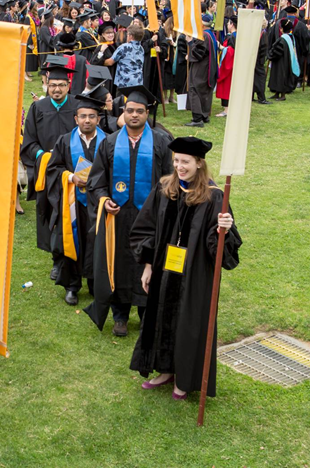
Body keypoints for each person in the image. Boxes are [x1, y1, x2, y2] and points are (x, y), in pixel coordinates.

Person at [128, 136, 241, 400]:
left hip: (195, 273)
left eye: (186, 162)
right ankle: (165, 370)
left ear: (199, 163)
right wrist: (148, 267)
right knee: (161, 316)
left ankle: (185, 378)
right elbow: (147, 228)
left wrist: (224, 228)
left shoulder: (214, 196)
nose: (179, 166)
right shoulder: (165, 188)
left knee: (188, 323)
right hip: (164, 268)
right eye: (176, 160)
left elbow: (222, 248)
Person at [85, 85, 173, 337]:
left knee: (149, 260)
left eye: (140, 111)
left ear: (147, 113)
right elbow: (96, 180)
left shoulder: (161, 142)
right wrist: (104, 198)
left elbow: (170, 178)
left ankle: (147, 316)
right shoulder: (110, 143)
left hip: (151, 218)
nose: (134, 115)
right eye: (130, 111)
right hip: (119, 216)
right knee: (120, 264)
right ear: (123, 112)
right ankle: (120, 316)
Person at [44, 85, 107, 305]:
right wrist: (71, 178)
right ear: (75, 118)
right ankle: (72, 285)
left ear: (98, 119)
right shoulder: (64, 141)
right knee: (71, 240)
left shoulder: (108, 142)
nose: (87, 120)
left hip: (98, 202)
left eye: (91, 116)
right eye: (83, 116)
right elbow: (53, 169)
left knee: (96, 242)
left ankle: (93, 283)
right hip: (72, 202)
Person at [19, 62, 78, 275]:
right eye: (52, 85)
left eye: (61, 85)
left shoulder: (77, 107)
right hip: (47, 171)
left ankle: (72, 256)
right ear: (46, 85)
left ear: (68, 85)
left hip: (72, 173)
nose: (57, 89)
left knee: (72, 214)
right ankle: (56, 259)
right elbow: (29, 141)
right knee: (51, 215)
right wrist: (43, 156)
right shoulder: (38, 108)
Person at [184, 14, 219, 127]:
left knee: (195, 90)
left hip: (201, 68)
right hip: (208, 68)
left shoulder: (203, 35)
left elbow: (199, 53)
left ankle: (197, 118)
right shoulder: (211, 35)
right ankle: (204, 115)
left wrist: (190, 42)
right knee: (204, 92)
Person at [104, 23, 146, 89]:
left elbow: (110, 62)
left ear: (131, 36)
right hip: (138, 82)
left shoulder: (124, 47)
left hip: (124, 83)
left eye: (128, 34)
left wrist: (99, 60)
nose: (127, 36)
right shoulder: (141, 49)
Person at [267, 18, 299, 102]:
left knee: (281, 77)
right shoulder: (290, 38)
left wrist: (270, 55)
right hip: (284, 61)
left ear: (281, 29)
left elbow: (277, 51)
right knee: (278, 76)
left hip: (281, 62)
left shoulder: (283, 39)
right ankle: (277, 93)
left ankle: (282, 95)